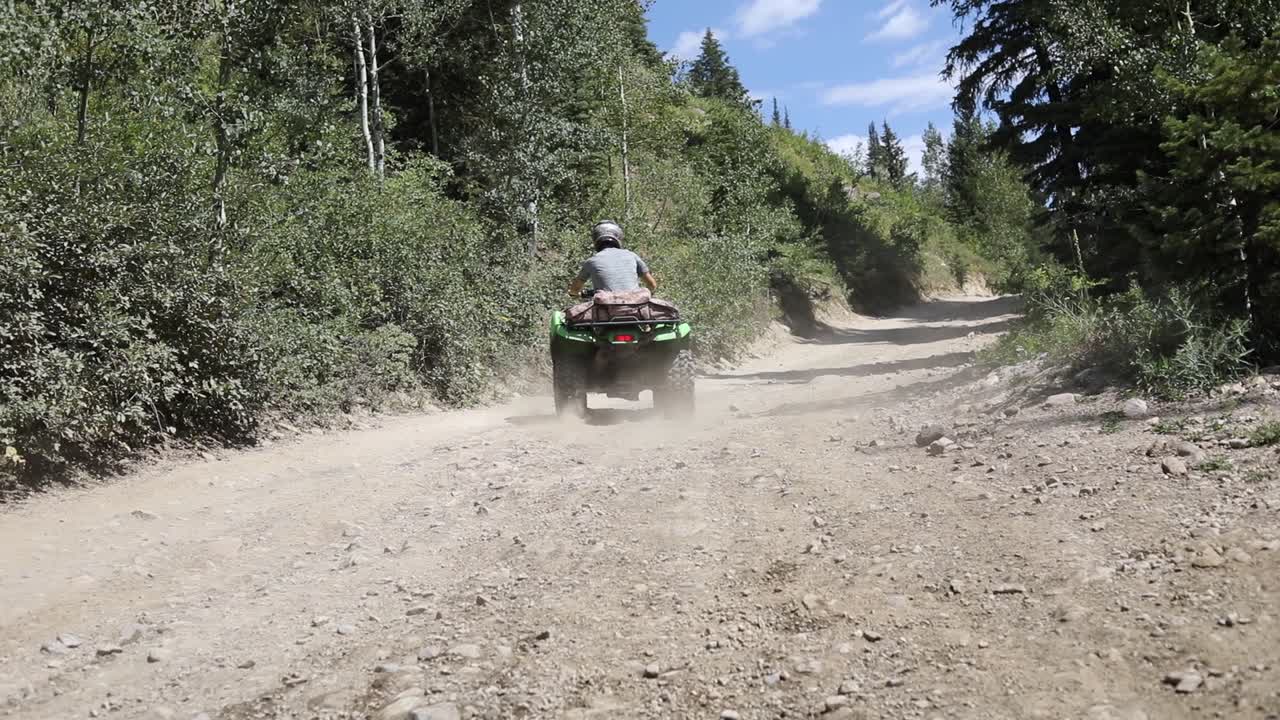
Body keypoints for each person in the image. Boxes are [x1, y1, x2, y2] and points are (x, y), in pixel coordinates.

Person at [567, 221, 658, 297]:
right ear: (619, 238)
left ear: (595, 240)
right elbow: (652, 285)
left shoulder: (591, 261)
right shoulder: (632, 256)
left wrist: (577, 294)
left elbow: (574, 290)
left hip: (604, 311)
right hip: (635, 308)